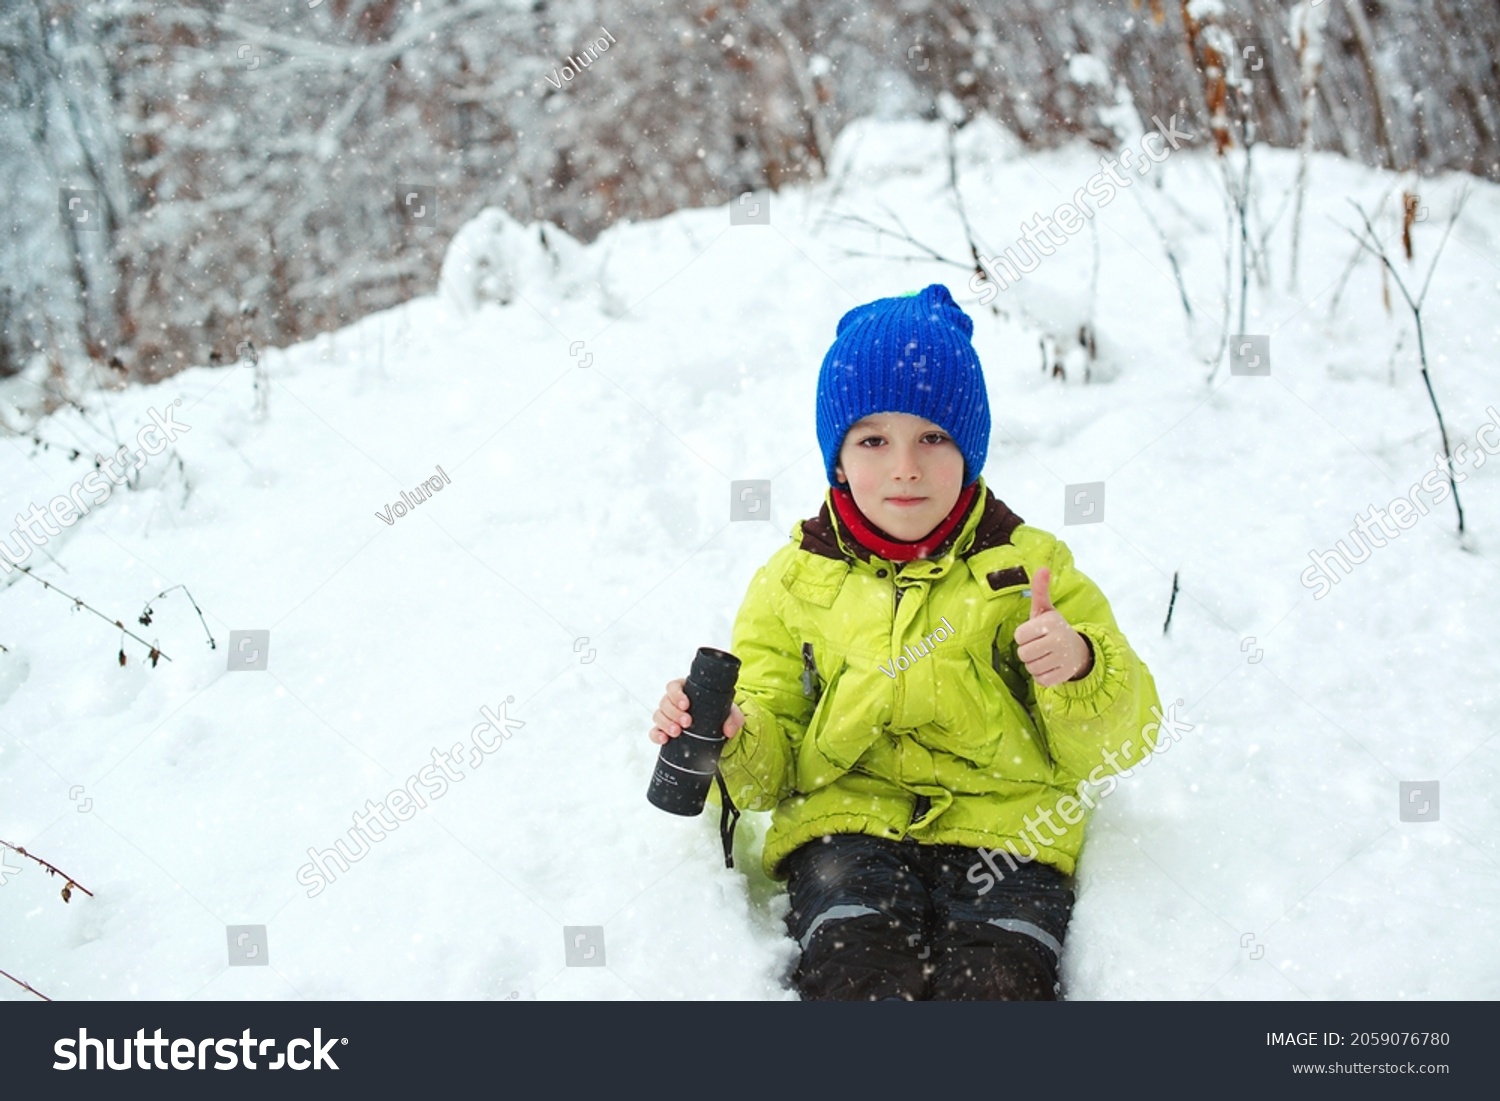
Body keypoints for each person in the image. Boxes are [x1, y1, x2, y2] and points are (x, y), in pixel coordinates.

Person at [648, 283, 1163, 1000]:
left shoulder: (1029, 567)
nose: (905, 467)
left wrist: (1079, 669)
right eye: (873, 439)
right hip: (847, 830)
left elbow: (1120, 743)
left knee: (999, 980)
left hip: (1009, 834)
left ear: (971, 450)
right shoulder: (793, 583)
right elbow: (770, 774)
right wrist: (734, 733)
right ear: (837, 459)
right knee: (859, 970)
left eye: (933, 436)